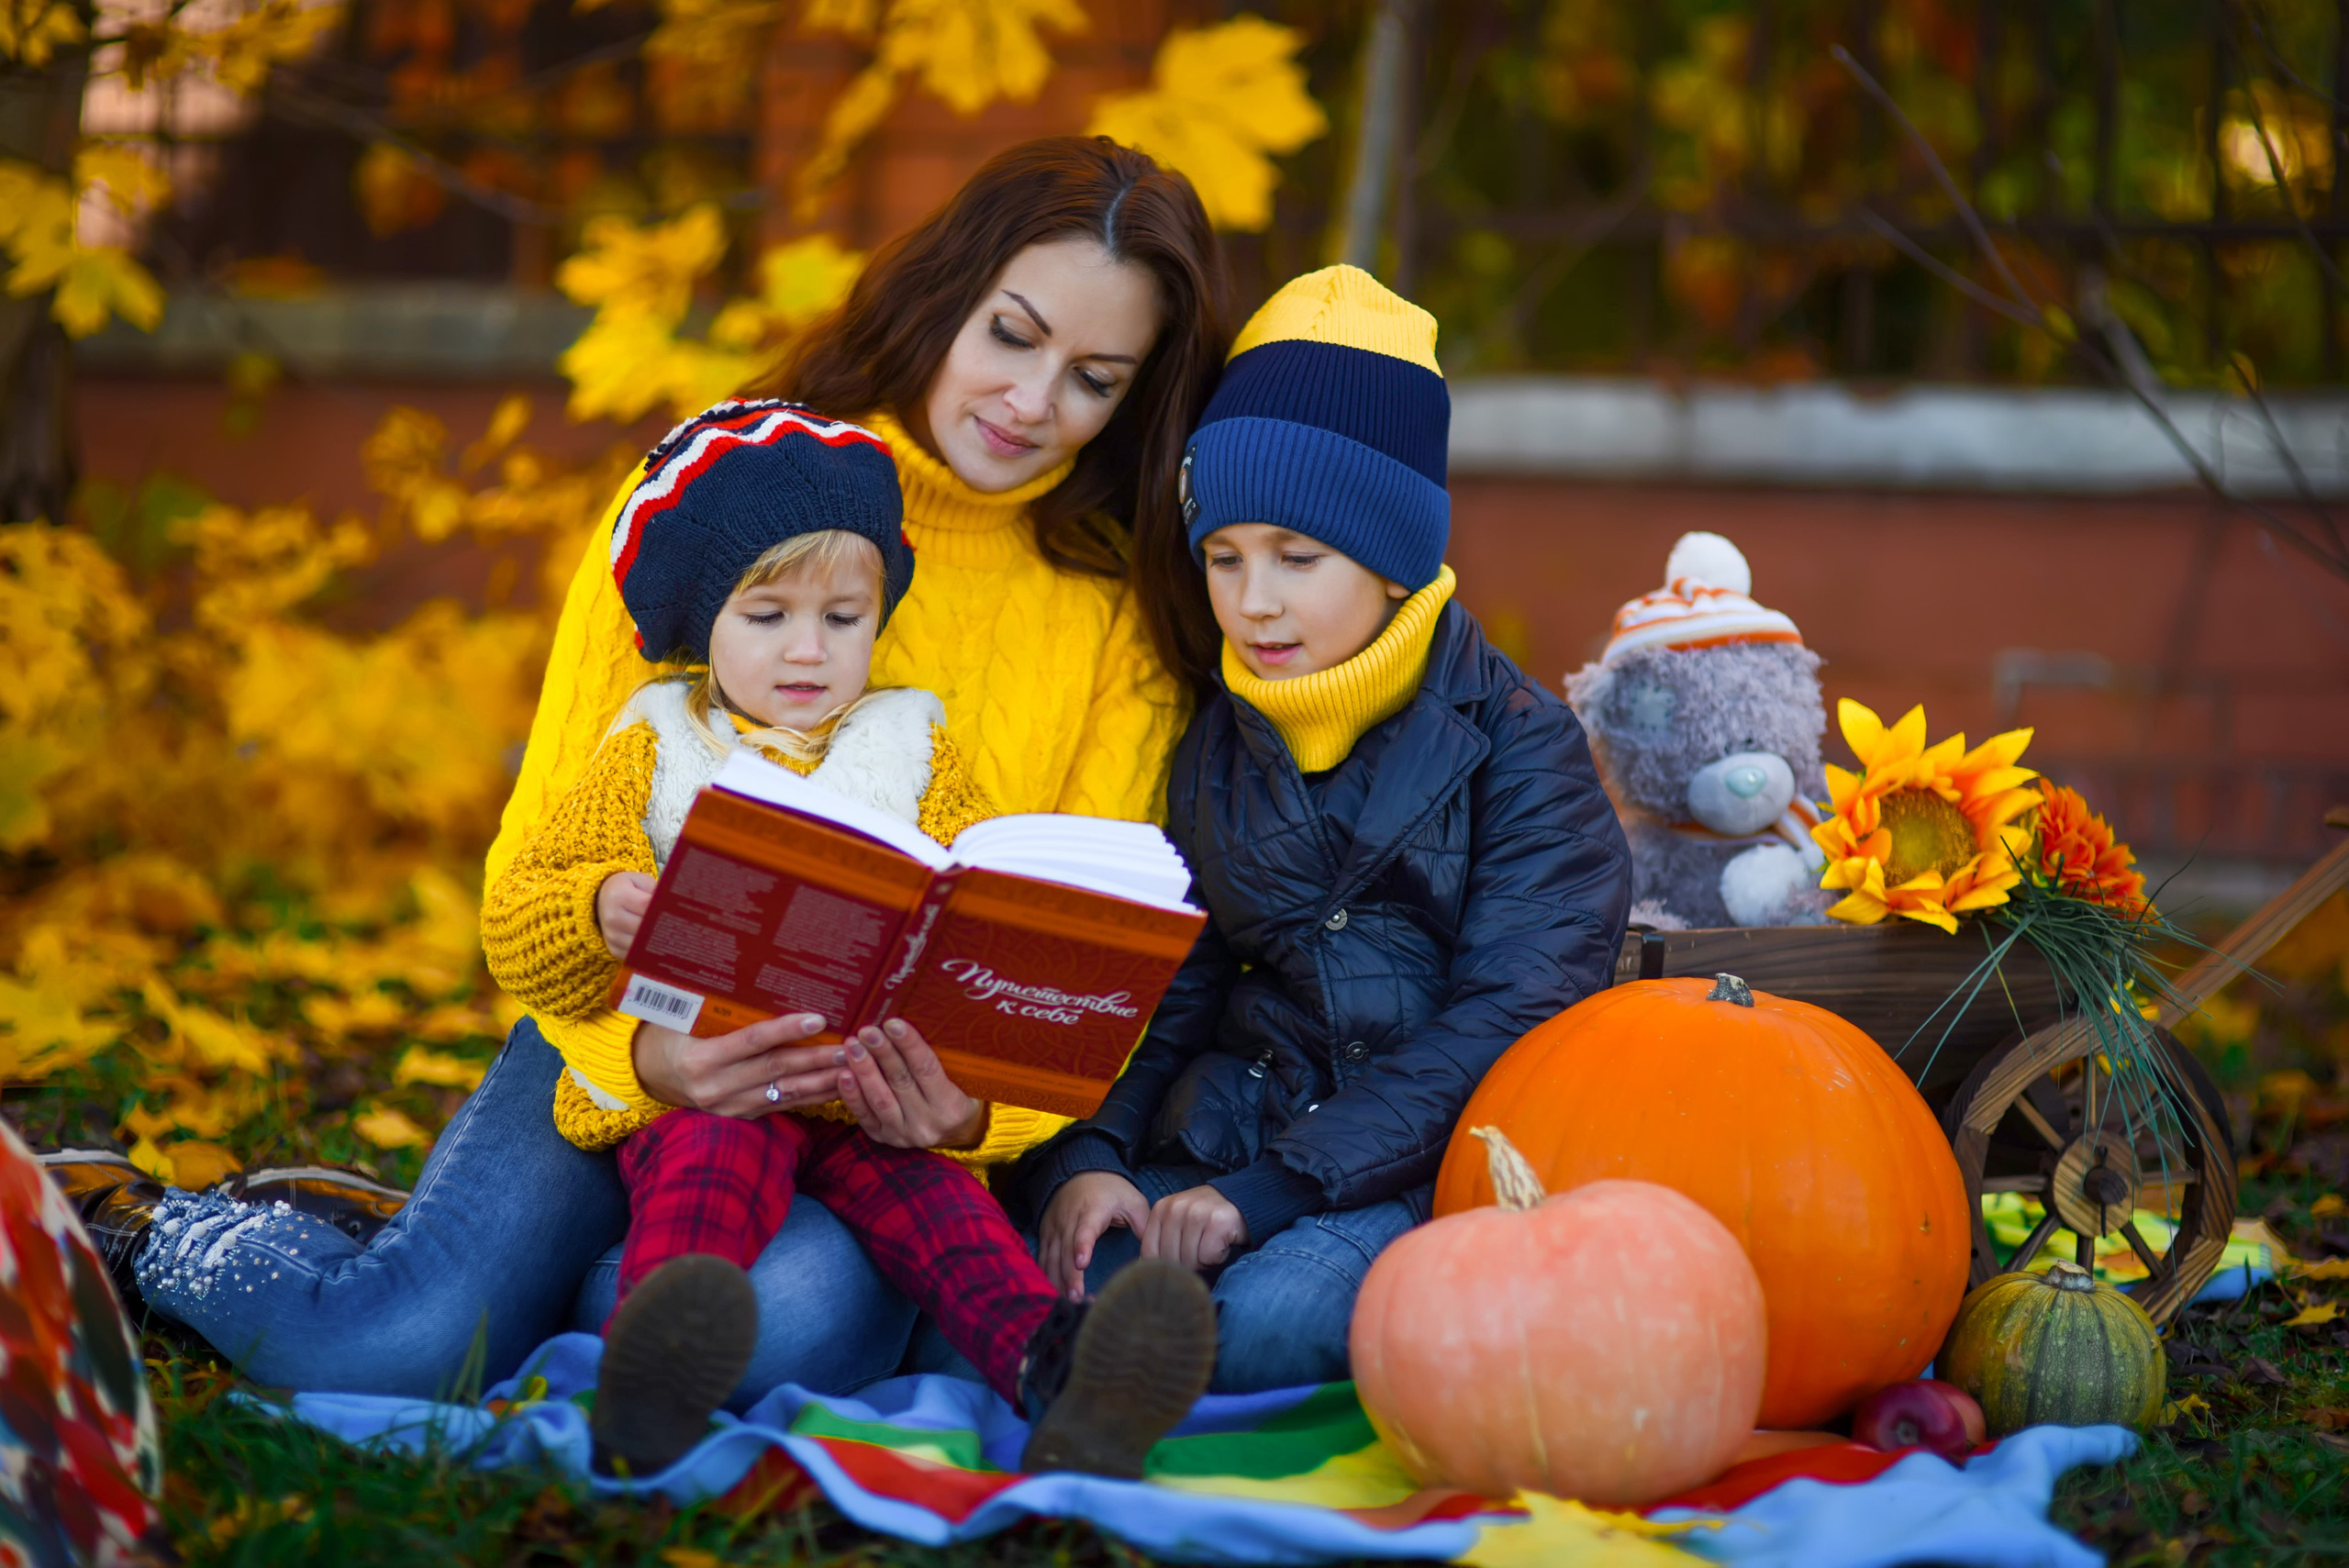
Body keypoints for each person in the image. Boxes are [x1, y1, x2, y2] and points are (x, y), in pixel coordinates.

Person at [66, 137, 1232, 1408]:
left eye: (1094, 379)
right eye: (1011, 334)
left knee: (780, 1325)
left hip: (874, 1114)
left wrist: (965, 1120)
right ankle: (139, 1221)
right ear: (944, 293)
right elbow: (539, 869)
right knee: (389, 1347)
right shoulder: (722, 493)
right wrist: (647, 1058)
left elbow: (1071, 976)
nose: (1031, 399)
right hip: (624, 1031)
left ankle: (511, 1277)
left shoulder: (1118, 616)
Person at [471, 398, 1214, 1476]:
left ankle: (1068, 1377)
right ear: (705, 621)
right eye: (767, 615)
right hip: (714, 1080)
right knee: (712, 1159)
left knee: (939, 1202)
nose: (809, 650)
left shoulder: (910, 745)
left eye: (843, 617)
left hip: (866, 1094)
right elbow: (516, 920)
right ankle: (654, 1364)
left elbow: (972, 893)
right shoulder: (655, 742)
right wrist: (596, 907)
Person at [1019, 265, 1633, 1391]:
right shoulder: (1218, 736)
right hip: (1229, 1130)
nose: (1253, 600)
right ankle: (1098, 1409)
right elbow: (1176, 977)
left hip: (1411, 1162)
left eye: (1298, 558)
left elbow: (1511, 1011)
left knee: (1267, 1323)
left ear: (1394, 557)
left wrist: (1275, 1190)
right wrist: (1093, 1151)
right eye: (1223, 556)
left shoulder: (1518, 743)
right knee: (1059, 1285)